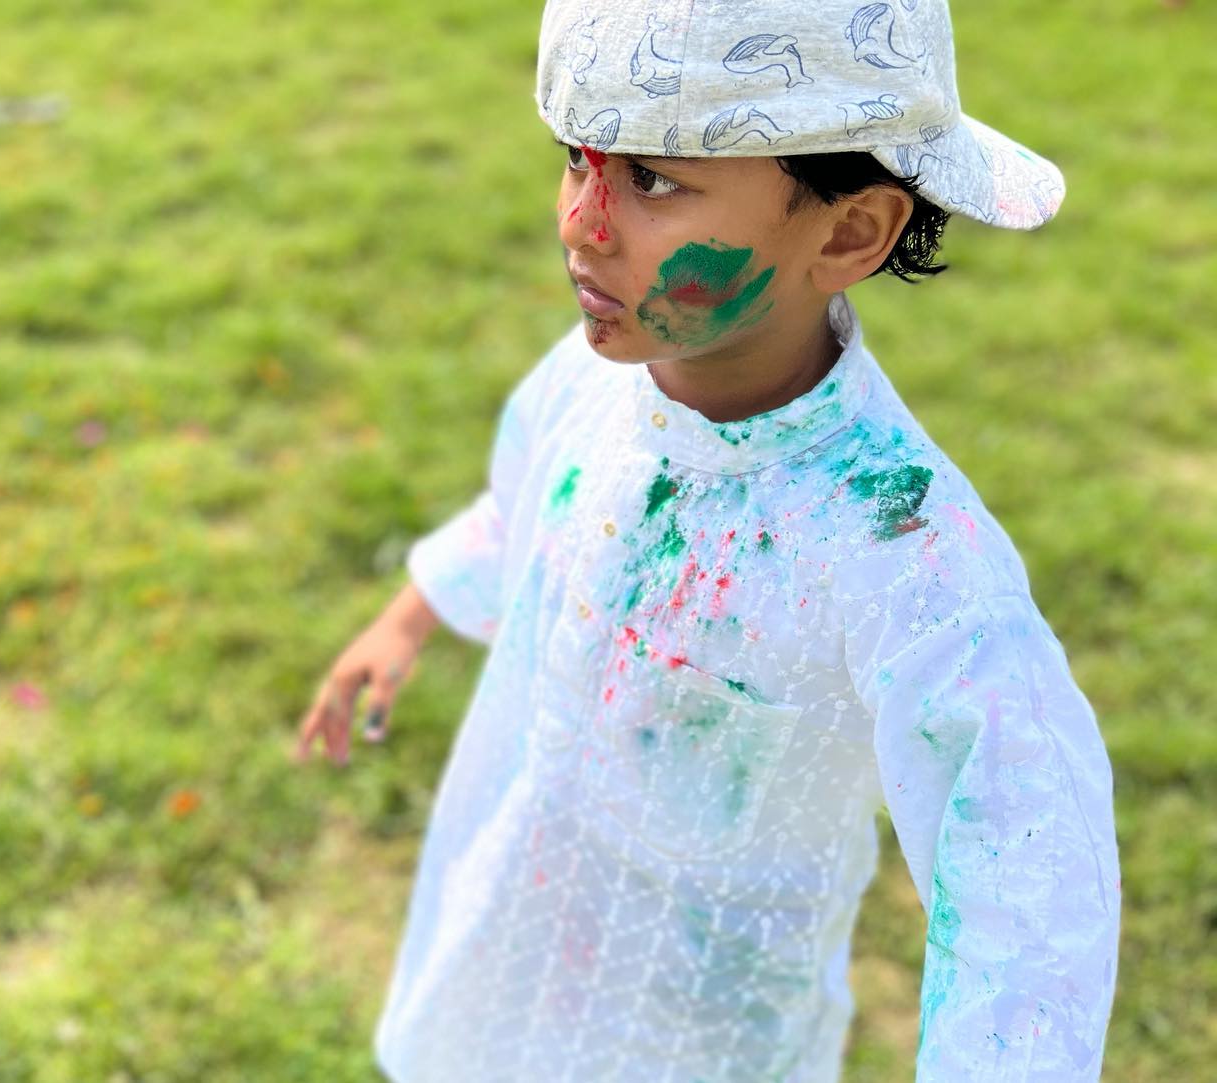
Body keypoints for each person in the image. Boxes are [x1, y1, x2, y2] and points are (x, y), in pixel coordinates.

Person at [293, 1, 1120, 1079]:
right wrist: (412, 612)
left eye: (654, 181)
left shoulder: (911, 557)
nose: (582, 223)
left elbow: (1026, 882)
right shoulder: (592, 378)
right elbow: (528, 508)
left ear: (847, 231)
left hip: (704, 1024)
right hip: (516, 934)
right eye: (575, 160)